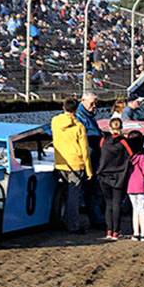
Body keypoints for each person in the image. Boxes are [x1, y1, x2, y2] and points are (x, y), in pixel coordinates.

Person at [51, 98, 93, 234]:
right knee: (73, 197)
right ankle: (73, 225)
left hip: (60, 163)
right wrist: (89, 170)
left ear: (63, 107)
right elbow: (85, 150)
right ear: (76, 109)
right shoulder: (79, 127)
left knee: (61, 194)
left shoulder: (55, 121)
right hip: (76, 164)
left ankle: (61, 220)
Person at [97, 117, 131, 240]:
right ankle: (116, 231)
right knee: (117, 204)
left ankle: (109, 231)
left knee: (108, 204)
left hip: (104, 174)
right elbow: (131, 154)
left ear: (110, 128)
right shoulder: (123, 141)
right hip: (119, 175)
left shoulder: (103, 140)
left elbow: (101, 151)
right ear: (121, 128)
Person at [76, 92, 105, 227]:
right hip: (88, 159)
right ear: (83, 101)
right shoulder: (80, 117)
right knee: (91, 189)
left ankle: (96, 216)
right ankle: (95, 218)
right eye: (92, 103)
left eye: (95, 103)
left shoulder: (88, 116)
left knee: (93, 189)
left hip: (93, 157)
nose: (94, 106)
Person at [126, 132, 144, 241]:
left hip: (130, 186)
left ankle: (135, 233)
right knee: (142, 209)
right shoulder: (142, 157)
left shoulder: (127, 158)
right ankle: (143, 234)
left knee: (135, 209)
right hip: (141, 185)